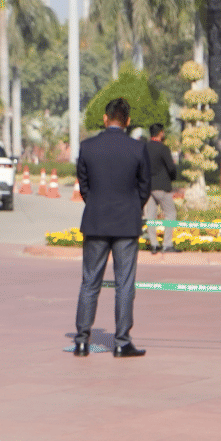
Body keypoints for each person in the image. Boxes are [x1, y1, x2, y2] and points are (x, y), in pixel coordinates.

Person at [73, 97, 150, 358]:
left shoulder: (87, 146)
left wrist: (95, 202)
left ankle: (82, 340)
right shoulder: (138, 149)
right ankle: (121, 341)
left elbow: (83, 183)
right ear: (127, 121)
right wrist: (132, 206)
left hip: (95, 221)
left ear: (106, 119)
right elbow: (144, 186)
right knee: (124, 284)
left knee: (90, 282)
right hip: (126, 224)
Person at [143, 123, 177, 253]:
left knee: (151, 216)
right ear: (160, 133)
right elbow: (171, 167)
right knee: (170, 214)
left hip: (148, 186)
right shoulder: (163, 149)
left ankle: (154, 244)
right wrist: (173, 177)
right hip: (162, 186)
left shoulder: (144, 147)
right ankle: (167, 244)